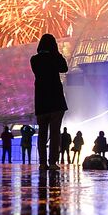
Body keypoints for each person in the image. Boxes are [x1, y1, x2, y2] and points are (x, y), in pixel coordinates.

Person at [30, 33, 68, 168]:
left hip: (41, 102)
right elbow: (64, 68)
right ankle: (53, 162)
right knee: (55, 133)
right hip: (56, 101)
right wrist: (57, 53)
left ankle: (42, 162)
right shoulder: (54, 58)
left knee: (42, 133)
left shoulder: (34, 60)